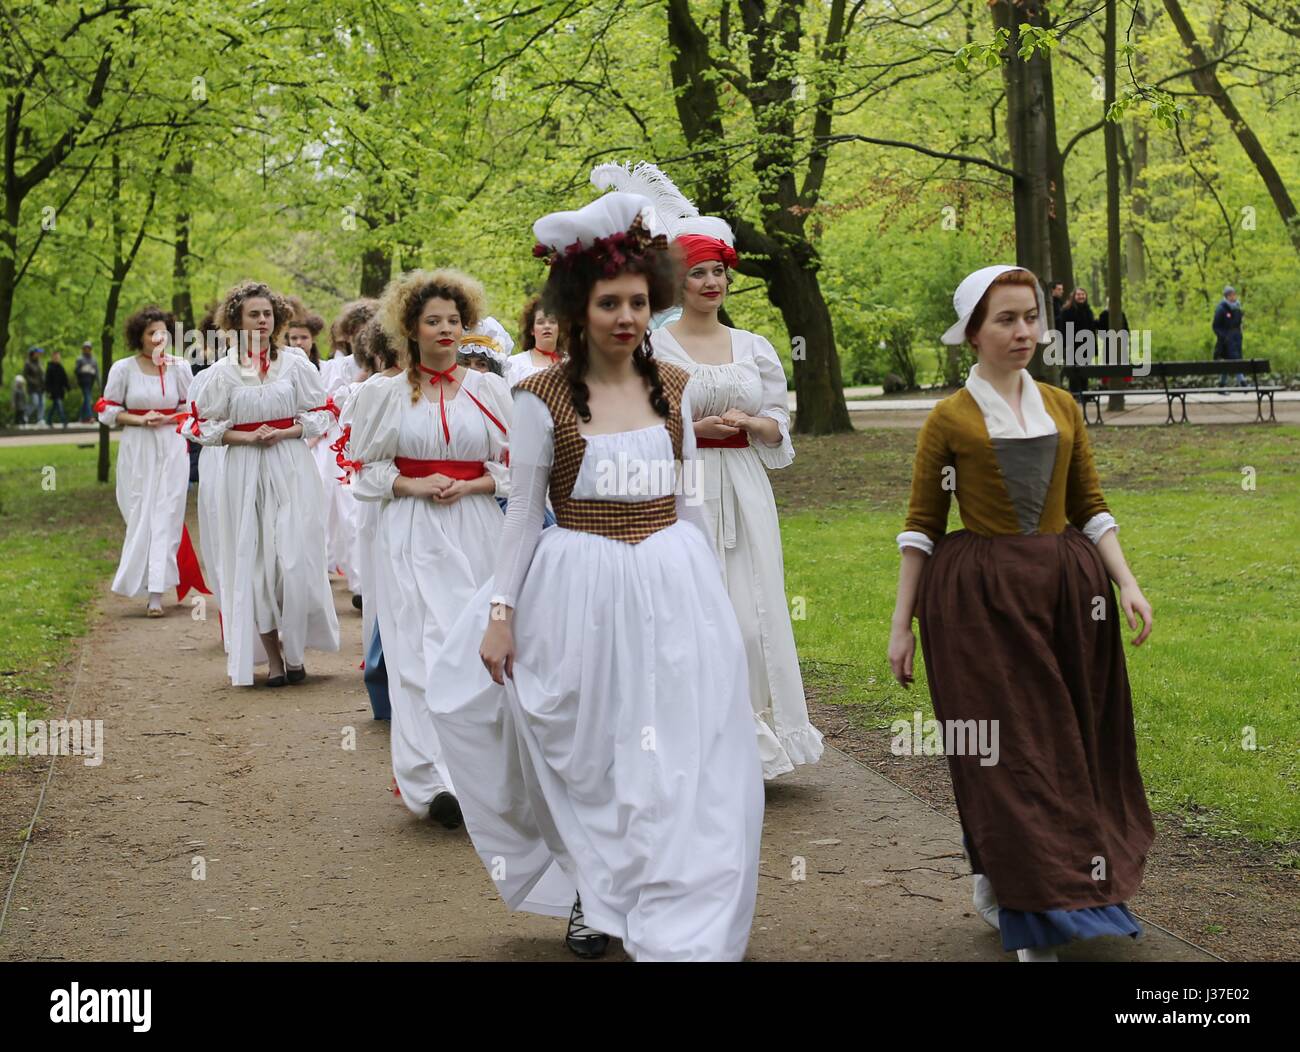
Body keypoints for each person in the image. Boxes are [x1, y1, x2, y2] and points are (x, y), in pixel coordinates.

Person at [430, 191, 763, 961]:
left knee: (677, 744)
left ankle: (671, 889)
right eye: (609, 301)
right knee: (593, 748)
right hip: (580, 586)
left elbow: (689, 501)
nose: (626, 316)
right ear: (578, 308)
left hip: (672, 579)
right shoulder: (538, 397)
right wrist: (502, 610)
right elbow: (520, 512)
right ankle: (593, 887)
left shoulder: (675, 391)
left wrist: (713, 592)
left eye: (639, 302)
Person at [889, 265, 1155, 963]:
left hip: (1070, 596)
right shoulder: (948, 419)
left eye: (1031, 317)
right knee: (1008, 752)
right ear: (972, 332)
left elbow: (1092, 505)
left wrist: (1126, 583)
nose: (1024, 332)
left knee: (1071, 745)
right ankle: (1027, 907)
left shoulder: (1063, 407)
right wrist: (901, 626)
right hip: (981, 604)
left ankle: (1065, 888)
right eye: (1006, 319)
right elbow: (922, 526)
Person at [603, 158, 821, 778]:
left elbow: (779, 413)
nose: (710, 283)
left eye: (718, 273)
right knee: (697, 612)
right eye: (697, 274)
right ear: (680, 283)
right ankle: (699, 741)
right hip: (686, 487)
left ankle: (757, 733)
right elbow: (636, 417)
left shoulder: (754, 346)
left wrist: (758, 425)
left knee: (755, 614)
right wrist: (689, 431)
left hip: (746, 485)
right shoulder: (655, 346)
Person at [347, 269, 511, 829]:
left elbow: (517, 464)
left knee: (474, 650)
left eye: (454, 320)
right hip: (411, 529)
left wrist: (476, 484)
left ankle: (481, 776)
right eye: (433, 321)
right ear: (410, 328)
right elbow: (361, 466)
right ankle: (432, 782)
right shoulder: (383, 394)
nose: (446, 329)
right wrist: (410, 484)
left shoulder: (490, 390)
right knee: (418, 651)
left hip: (476, 527)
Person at [192, 280, 340, 687]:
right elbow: (204, 425)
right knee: (254, 563)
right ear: (236, 320)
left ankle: (296, 650)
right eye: (253, 314)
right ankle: (273, 658)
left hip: (290, 465)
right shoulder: (221, 373)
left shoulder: (295, 364)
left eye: (267, 314)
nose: (261, 321)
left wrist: (288, 432)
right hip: (243, 471)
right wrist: (245, 436)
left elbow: (322, 412)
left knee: (291, 560)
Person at [96, 306, 206, 616]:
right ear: (139, 337)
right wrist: (139, 420)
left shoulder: (180, 367)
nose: (158, 339)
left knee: (166, 514)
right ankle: (143, 581)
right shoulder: (123, 369)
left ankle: (156, 594)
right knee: (139, 513)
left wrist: (170, 417)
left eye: (163, 333)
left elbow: (192, 407)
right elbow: (107, 410)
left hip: (171, 446)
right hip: (137, 447)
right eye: (151, 333)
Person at [504, 295, 564, 387]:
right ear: (532, 329)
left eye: (552, 321)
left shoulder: (570, 364)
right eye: (540, 322)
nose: (547, 326)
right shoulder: (515, 364)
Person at [1213, 285, 1246, 388]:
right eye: (1231, 295)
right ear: (1226, 296)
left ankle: (1221, 385)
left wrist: (1240, 334)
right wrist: (1224, 337)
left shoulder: (1237, 308)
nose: (1233, 297)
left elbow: (1239, 323)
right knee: (1235, 361)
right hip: (1226, 341)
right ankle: (1243, 383)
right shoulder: (1221, 309)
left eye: (1234, 294)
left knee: (1229, 363)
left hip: (1236, 340)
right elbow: (1216, 326)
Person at [43, 349, 71, 429]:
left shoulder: (60, 368)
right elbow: (47, 381)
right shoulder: (50, 368)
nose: (57, 358)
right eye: (55, 357)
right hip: (54, 391)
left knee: (54, 407)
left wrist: (67, 387)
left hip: (60, 391)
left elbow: (64, 379)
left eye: (58, 357)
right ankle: (64, 421)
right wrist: (48, 391)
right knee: (59, 405)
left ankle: (48, 420)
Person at [74, 341, 99, 422]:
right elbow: (76, 371)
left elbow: (97, 372)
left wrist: (99, 383)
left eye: (88, 348)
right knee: (88, 398)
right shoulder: (80, 359)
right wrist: (83, 369)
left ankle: (81, 417)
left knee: (86, 400)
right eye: (85, 348)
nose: (87, 350)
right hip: (83, 382)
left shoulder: (94, 360)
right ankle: (90, 416)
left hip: (90, 382)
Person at [22, 348, 45, 424]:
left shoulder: (40, 362)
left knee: (42, 403)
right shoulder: (28, 363)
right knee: (35, 403)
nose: (38, 355)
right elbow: (25, 375)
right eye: (37, 353)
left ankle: (40, 419)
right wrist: (33, 382)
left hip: (41, 387)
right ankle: (25, 414)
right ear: (32, 353)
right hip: (33, 387)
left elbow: (42, 374)